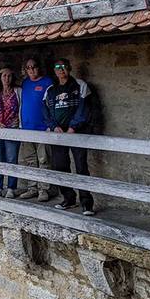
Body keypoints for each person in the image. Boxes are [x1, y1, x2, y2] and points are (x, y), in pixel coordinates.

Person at [43, 58, 95, 216]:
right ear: (54, 70)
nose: (61, 70)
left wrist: (73, 126)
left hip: (76, 132)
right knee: (60, 166)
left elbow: (84, 108)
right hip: (58, 133)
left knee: (81, 167)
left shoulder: (80, 85)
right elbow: (45, 111)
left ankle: (86, 203)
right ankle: (69, 198)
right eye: (58, 67)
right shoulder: (50, 90)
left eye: (64, 67)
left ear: (69, 68)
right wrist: (54, 126)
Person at [18, 58, 56, 202]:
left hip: (42, 129)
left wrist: (50, 126)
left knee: (44, 159)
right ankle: (32, 188)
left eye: (34, 67)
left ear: (38, 67)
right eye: (28, 67)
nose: (31, 70)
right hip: (27, 128)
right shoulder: (25, 83)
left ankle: (43, 189)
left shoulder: (47, 82)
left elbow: (51, 105)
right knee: (30, 160)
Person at [0, 67, 22, 198]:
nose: (7, 79)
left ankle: (11, 188)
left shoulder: (18, 91)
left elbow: (21, 110)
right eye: (4, 76)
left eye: (9, 76)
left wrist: (18, 124)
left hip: (13, 129)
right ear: (0, 77)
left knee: (12, 158)